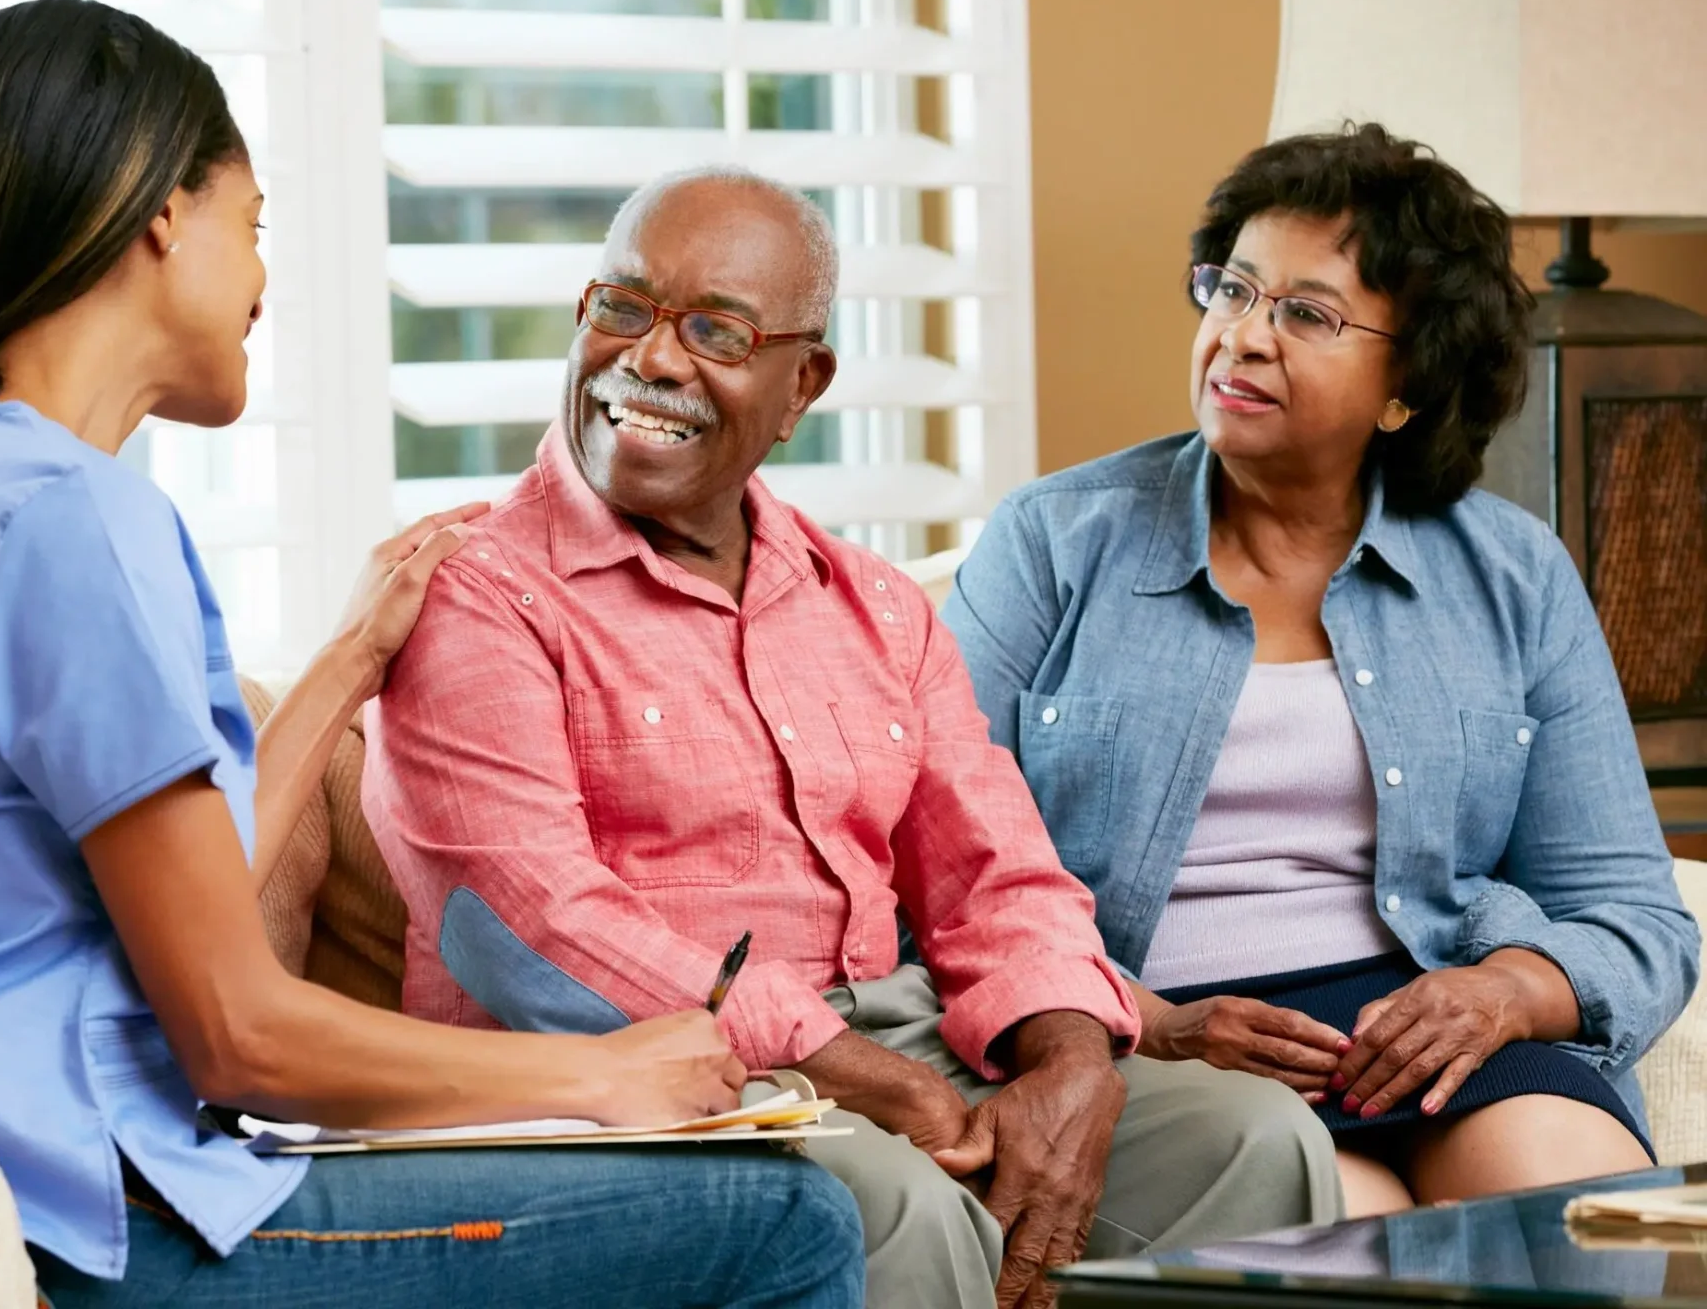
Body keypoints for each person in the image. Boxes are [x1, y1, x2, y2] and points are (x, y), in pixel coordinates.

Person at [0, 0, 865, 1307]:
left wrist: (354, 656)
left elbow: (179, 924)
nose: (262, 278)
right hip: (99, 1232)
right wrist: (599, 1072)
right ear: (162, 218)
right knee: (785, 1222)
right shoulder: (68, 513)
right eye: (255, 227)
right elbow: (237, 1033)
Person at [363, 163, 1341, 1309]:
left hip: (896, 1041)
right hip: (643, 1085)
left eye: (716, 331)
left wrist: (1071, 1060)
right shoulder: (478, 592)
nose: (653, 358)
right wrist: (874, 1081)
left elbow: (999, 875)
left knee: (1251, 1140)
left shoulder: (872, 602)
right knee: (895, 1197)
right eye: (622, 308)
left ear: (801, 382)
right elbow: (530, 932)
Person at [942, 123, 1700, 1218]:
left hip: (1431, 1029)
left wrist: (1505, 990)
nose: (1242, 337)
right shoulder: (1054, 543)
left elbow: (1631, 909)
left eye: (1307, 313)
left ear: (1408, 387)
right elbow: (938, 869)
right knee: (1353, 1235)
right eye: (1233, 290)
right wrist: (1142, 1018)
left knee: (1574, 1213)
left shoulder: (1512, 573)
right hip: (1169, 1040)